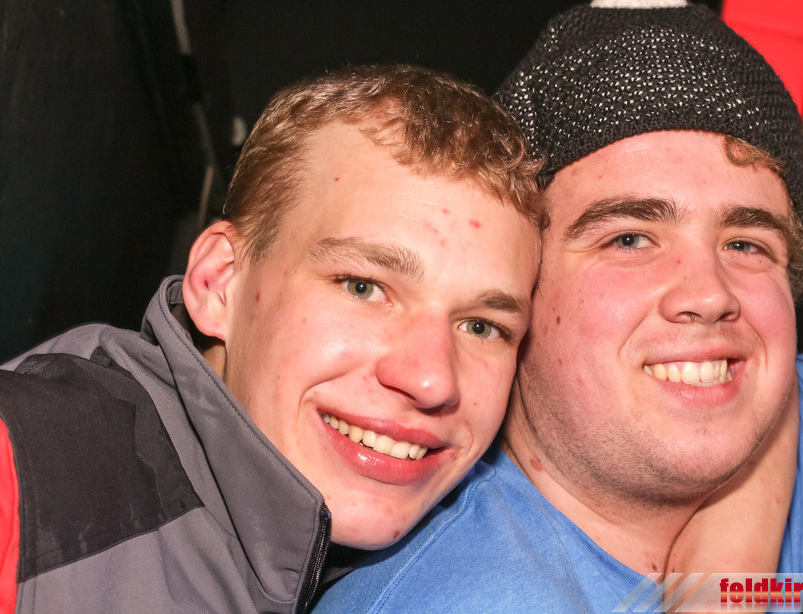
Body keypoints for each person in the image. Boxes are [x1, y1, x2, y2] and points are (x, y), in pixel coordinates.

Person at [316, 0, 803, 612]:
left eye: (747, 243)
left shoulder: (789, 457)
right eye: (630, 238)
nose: (709, 294)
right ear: (516, 292)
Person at [0, 64, 545, 612]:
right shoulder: (24, 482)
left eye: (482, 327)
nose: (431, 380)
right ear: (220, 285)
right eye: (362, 287)